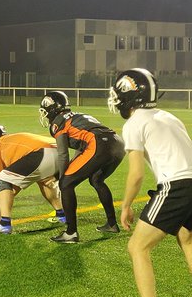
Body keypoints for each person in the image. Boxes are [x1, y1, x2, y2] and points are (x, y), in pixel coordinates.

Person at [110, 68, 192, 297]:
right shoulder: (168, 116)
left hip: (178, 185)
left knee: (137, 248)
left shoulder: (134, 123)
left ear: (127, 95)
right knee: (187, 237)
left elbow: (136, 174)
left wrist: (125, 206)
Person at [38, 89, 126, 243]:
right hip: (117, 143)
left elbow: (63, 154)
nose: (44, 114)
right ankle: (112, 224)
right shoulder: (77, 115)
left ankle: (71, 233)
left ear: (52, 108)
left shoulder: (58, 122)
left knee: (66, 184)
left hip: (99, 144)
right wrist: (69, 171)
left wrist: (63, 178)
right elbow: (82, 147)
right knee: (97, 180)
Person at [0, 127, 64, 235]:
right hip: (59, 150)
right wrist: (1, 199)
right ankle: (62, 215)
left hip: (42, 152)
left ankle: (4, 224)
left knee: (2, 178)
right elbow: (16, 180)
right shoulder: (12, 141)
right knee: (43, 180)